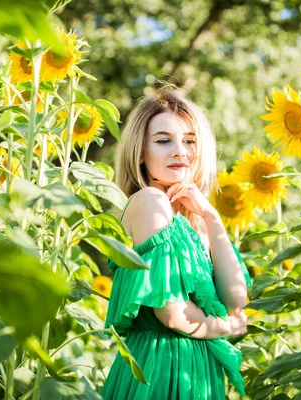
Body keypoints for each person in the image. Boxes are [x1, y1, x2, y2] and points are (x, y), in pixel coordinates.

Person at [101, 89, 253, 399]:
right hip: (161, 371)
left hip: (198, 375)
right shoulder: (149, 201)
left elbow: (236, 299)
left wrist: (211, 217)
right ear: (140, 153)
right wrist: (227, 327)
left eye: (190, 141)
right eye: (163, 140)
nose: (180, 151)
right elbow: (173, 314)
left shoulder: (194, 220)